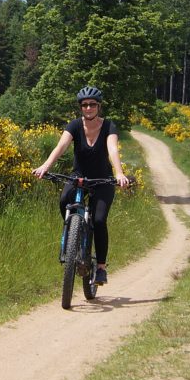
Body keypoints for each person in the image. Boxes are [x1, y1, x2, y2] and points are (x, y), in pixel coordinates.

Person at [33, 86, 130, 285]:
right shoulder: (74, 126)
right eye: (84, 105)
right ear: (80, 107)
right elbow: (60, 147)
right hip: (78, 177)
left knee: (100, 220)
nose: (88, 108)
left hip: (102, 179)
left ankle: (101, 268)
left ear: (98, 106)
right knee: (63, 200)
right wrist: (45, 166)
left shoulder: (109, 126)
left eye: (92, 104)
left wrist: (119, 173)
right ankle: (73, 239)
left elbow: (112, 150)